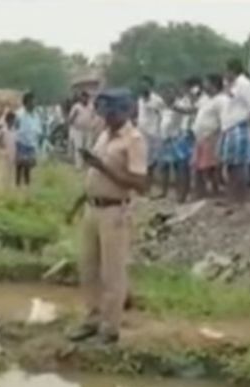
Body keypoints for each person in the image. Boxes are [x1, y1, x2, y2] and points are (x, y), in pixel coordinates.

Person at [68, 89, 148, 345]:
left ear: (125, 112)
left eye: (112, 113)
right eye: (105, 113)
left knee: (112, 272)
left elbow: (140, 184)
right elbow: (94, 176)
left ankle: (110, 328)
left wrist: (103, 166)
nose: (107, 118)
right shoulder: (104, 135)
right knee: (88, 268)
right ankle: (92, 319)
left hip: (115, 211)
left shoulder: (134, 140)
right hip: (93, 208)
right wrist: (77, 204)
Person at [220, 58, 250, 206]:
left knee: (240, 166)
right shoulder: (232, 85)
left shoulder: (245, 84)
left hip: (241, 127)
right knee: (230, 165)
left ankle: (240, 200)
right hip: (230, 128)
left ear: (232, 70)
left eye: (226, 70)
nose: (224, 73)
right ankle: (232, 198)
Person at [191, 74, 229, 198]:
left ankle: (214, 193)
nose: (204, 85)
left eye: (207, 83)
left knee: (210, 168)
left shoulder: (221, 100)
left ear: (213, 84)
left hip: (211, 137)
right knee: (199, 167)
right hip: (201, 137)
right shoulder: (207, 99)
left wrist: (218, 137)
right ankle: (201, 193)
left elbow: (224, 120)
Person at [156, 85, 188, 201]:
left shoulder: (179, 106)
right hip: (165, 140)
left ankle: (181, 194)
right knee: (164, 167)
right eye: (164, 94)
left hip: (176, 139)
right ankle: (164, 192)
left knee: (179, 168)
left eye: (169, 94)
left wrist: (174, 107)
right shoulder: (164, 109)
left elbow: (186, 112)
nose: (166, 96)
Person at [137, 76, 166, 189]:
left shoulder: (157, 100)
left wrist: (160, 129)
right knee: (143, 159)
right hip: (142, 133)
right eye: (142, 84)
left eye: (146, 84)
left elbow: (163, 115)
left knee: (153, 160)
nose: (143, 86)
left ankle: (152, 183)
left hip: (154, 134)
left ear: (151, 86)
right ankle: (145, 183)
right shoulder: (140, 100)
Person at [14, 91, 43, 187]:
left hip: (31, 143)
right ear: (27, 102)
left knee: (29, 165)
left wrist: (39, 138)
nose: (35, 103)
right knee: (20, 165)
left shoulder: (36, 114)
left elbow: (38, 128)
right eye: (33, 101)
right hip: (21, 142)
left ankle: (27, 185)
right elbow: (15, 128)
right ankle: (17, 184)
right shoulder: (19, 114)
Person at [68, 91, 97, 169]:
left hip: (88, 130)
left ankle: (88, 165)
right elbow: (70, 119)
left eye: (86, 97)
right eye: (83, 97)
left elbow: (94, 116)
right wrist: (74, 122)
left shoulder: (91, 106)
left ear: (88, 98)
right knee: (79, 147)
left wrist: (93, 125)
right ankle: (79, 165)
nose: (85, 99)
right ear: (81, 98)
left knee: (88, 148)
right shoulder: (76, 107)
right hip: (78, 130)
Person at [0, 111, 17, 190]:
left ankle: (11, 188)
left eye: (14, 120)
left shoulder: (15, 131)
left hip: (13, 153)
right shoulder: (3, 130)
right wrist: (0, 146)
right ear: (8, 120)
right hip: (4, 153)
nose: (13, 122)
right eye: (12, 120)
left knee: (12, 172)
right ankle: (1, 189)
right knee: (3, 171)